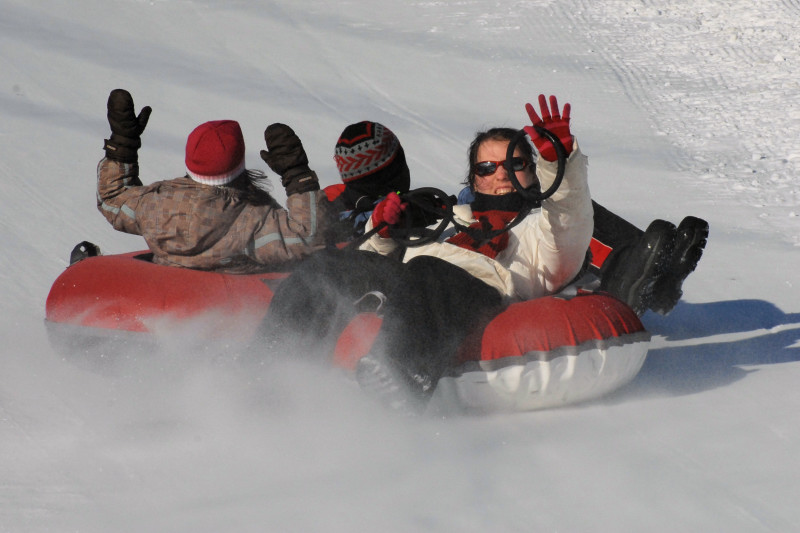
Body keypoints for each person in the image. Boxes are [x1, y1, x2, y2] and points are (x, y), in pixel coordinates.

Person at [261, 95, 592, 414]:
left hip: (475, 289)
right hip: (410, 282)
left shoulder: (539, 228)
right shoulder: (447, 219)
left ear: (533, 171)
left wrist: (560, 162)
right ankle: (266, 365)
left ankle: (401, 380)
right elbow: (374, 259)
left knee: (429, 270)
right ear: (474, 179)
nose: (501, 174)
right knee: (329, 266)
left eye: (515, 164)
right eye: (487, 167)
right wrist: (384, 230)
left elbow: (568, 219)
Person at [97, 89, 326, 272]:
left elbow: (112, 199)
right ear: (238, 164)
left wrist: (122, 148)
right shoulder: (252, 221)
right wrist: (297, 175)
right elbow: (307, 236)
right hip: (235, 305)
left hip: (169, 293)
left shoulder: (154, 205)